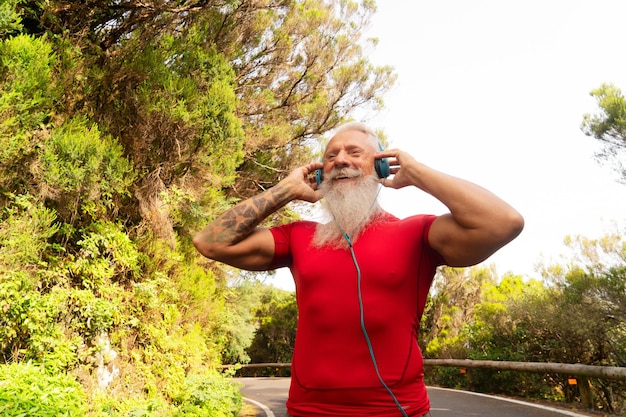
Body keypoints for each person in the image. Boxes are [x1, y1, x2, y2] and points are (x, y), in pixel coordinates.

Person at [193, 122, 524, 417]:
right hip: (308, 411)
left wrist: (418, 173)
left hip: (397, 410)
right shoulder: (298, 236)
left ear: (380, 166)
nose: (340, 160)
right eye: (331, 155)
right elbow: (210, 242)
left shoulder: (416, 233)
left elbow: (504, 223)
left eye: (355, 152)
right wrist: (286, 190)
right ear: (320, 172)